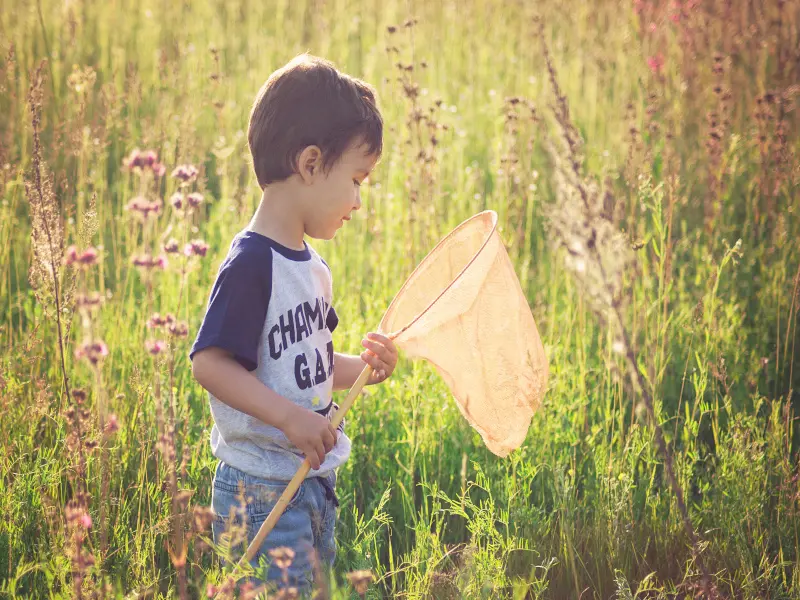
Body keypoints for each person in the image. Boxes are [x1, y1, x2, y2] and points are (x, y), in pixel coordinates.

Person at [190, 53, 398, 594]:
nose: (358, 201)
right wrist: (289, 419)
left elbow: (310, 365)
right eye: (356, 179)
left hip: (310, 485)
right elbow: (210, 364)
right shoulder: (252, 262)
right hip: (259, 492)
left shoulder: (311, 268)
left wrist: (365, 368)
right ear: (309, 164)